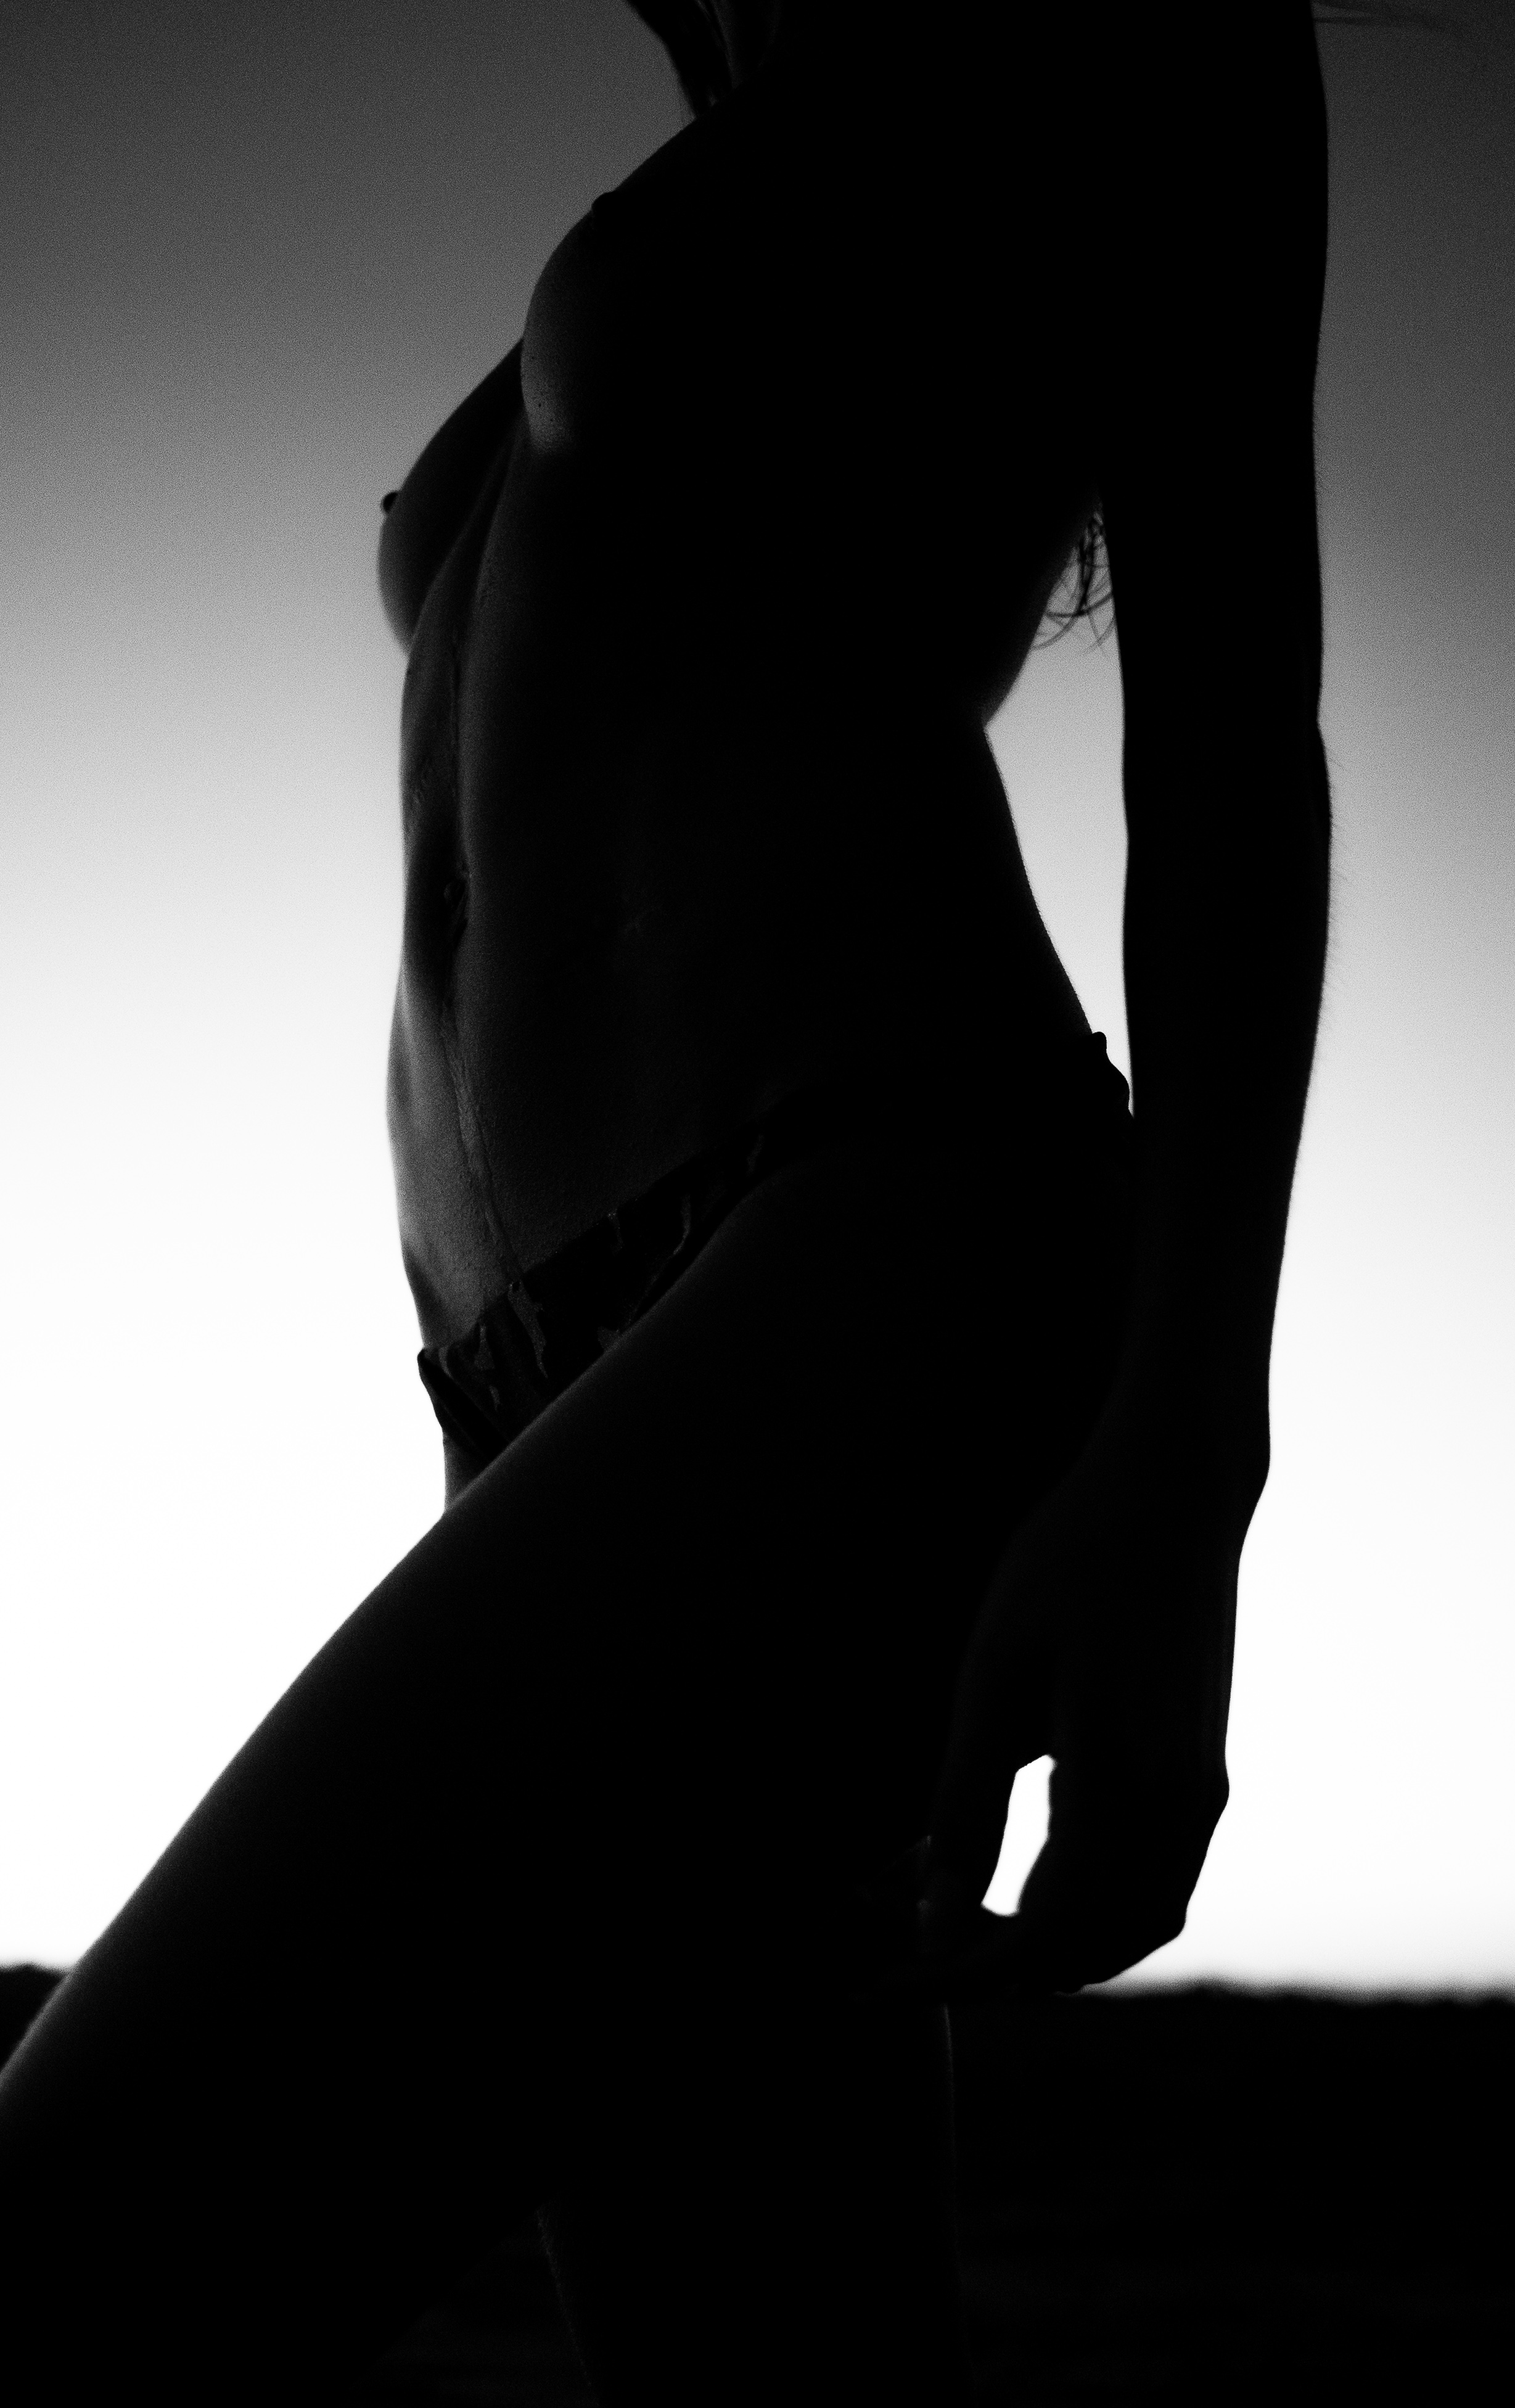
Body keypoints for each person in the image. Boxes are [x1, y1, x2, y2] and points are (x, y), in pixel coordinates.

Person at [0, 2, 1331, 2397]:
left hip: (865, 1252)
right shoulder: (742, 102)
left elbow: (1233, 753)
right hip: (539, 1377)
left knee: (74, 2247)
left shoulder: (1123, 32)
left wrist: (1183, 1466)